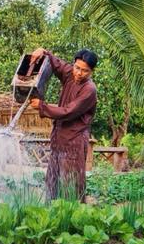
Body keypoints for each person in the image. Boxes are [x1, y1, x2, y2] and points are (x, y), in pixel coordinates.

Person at [28, 47, 98, 202]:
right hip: (58, 138)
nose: (79, 73)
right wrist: (43, 52)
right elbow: (57, 64)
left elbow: (67, 111)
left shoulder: (89, 90)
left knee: (71, 183)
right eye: (77, 67)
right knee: (52, 180)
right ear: (74, 64)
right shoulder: (69, 75)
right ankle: (50, 214)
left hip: (74, 140)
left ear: (91, 72)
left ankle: (74, 218)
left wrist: (42, 106)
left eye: (85, 71)